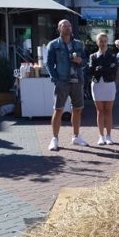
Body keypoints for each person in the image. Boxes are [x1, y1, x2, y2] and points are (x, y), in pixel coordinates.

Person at [45, 19, 88, 151]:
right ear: (59, 28)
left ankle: (76, 136)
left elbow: (85, 62)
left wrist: (80, 60)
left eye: (69, 25)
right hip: (62, 81)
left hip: (77, 81)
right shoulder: (53, 45)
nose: (68, 27)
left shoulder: (79, 44)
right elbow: (49, 64)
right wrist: (55, 79)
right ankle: (55, 139)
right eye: (64, 25)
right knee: (58, 110)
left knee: (77, 109)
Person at [88, 33, 118, 145]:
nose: (103, 43)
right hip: (97, 85)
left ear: (107, 42)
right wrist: (106, 68)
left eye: (105, 41)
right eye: (101, 41)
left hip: (109, 85)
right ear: (97, 42)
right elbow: (91, 70)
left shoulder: (113, 56)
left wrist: (100, 68)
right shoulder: (93, 56)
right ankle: (101, 136)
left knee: (109, 111)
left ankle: (109, 136)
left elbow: (113, 70)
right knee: (100, 111)